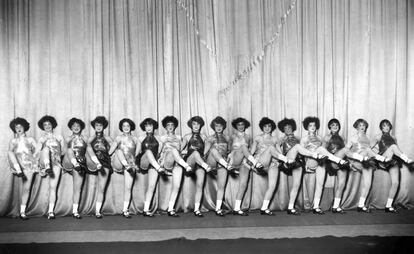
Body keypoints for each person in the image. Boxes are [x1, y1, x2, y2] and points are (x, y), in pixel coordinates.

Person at [301, 116, 349, 215]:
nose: (313, 127)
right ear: (306, 127)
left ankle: (316, 206)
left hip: (320, 161)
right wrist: (304, 164)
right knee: (321, 150)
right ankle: (337, 160)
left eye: (314, 125)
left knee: (320, 184)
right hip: (311, 160)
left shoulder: (319, 138)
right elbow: (302, 152)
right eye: (310, 125)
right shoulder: (304, 138)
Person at [346, 118, 389, 213]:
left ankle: (361, 205)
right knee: (369, 150)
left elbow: (370, 150)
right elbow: (346, 151)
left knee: (368, 183)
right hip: (358, 158)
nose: (362, 127)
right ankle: (382, 160)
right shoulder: (353, 137)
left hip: (366, 161)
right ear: (357, 127)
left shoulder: (368, 138)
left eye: (364, 125)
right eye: (360, 125)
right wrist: (350, 162)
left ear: (366, 127)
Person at [250, 117, 291, 215]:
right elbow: (251, 151)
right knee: (271, 148)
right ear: (262, 127)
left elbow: (279, 152)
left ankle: (264, 208)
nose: (267, 128)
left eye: (269, 126)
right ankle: (287, 161)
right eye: (265, 126)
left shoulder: (275, 139)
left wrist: (282, 159)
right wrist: (250, 163)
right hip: (261, 161)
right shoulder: (258, 138)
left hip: (273, 163)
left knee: (272, 185)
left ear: (272, 127)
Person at [372, 119, 414, 213]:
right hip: (384, 158)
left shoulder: (393, 137)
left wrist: (400, 156)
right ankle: (407, 160)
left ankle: (388, 206)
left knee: (395, 183)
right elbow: (369, 149)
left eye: (387, 125)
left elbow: (397, 150)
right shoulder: (378, 136)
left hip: (392, 160)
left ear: (390, 127)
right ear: (381, 128)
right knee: (393, 147)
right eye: (384, 126)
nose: (386, 127)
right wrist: (378, 157)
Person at [158, 116, 192, 217]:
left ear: (175, 126)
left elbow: (181, 151)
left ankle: (171, 208)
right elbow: (159, 151)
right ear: (165, 127)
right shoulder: (162, 138)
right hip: (167, 160)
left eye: (172, 125)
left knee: (176, 186)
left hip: (178, 162)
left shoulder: (179, 137)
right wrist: (159, 162)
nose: (170, 126)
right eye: (168, 125)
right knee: (173, 150)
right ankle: (186, 165)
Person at [230, 117, 264, 216]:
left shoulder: (248, 137)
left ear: (245, 126)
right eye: (239, 125)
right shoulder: (232, 137)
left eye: (242, 124)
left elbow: (250, 150)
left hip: (245, 162)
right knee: (243, 147)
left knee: (243, 184)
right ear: (236, 126)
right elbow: (228, 149)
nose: (241, 126)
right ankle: (255, 164)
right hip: (235, 160)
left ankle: (237, 208)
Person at [8, 117, 38, 220]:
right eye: (16, 127)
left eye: (21, 126)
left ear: (25, 127)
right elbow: (10, 154)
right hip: (18, 164)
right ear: (14, 129)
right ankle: (19, 169)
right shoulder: (13, 141)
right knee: (10, 152)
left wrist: (34, 160)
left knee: (26, 188)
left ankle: (22, 212)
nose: (19, 128)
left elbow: (37, 151)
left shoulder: (30, 139)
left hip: (29, 165)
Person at [136, 118, 167, 217]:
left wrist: (161, 159)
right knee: (148, 151)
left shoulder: (159, 138)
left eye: (150, 125)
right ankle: (158, 168)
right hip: (143, 161)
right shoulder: (140, 138)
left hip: (154, 163)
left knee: (152, 186)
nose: (148, 128)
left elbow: (160, 152)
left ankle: (146, 210)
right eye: (146, 126)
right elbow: (137, 153)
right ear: (144, 127)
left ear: (153, 127)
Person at [109, 118, 139, 218]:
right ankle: (126, 164)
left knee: (128, 187)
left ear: (131, 127)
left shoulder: (135, 139)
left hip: (130, 164)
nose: (126, 128)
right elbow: (111, 150)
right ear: (121, 128)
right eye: (124, 126)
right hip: (119, 162)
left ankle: (125, 210)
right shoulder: (118, 138)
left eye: (128, 126)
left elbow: (137, 154)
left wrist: (134, 163)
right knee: (119, 151)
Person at [36, 115, 65, 219]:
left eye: (49, 124)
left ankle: (51, 211)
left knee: (53, 187)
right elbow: (37, 152)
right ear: (42, 127)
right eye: (45, 125)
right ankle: (47, 167)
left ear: (53, 125)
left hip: (55, 163)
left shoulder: (59, 137)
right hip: (44, 162)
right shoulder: (41, 138)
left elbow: (64, 151)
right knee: (46, 150)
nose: (47, 126)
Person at [182, 116, 212, 217]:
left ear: (200, 126)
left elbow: (205, 152)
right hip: (190, 161)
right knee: (194, 153)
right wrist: (188, 151)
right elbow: (179, 150)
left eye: (198, 124)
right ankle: (205, 165)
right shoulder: (186, 136)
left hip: (200, 162)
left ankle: (196, 209)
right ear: (191, 125)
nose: (196, 126)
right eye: (194, 124)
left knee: (200, 185)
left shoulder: (204, 137)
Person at [204, 116, 233, 216]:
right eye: (216, 126)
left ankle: (218, 208)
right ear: (213, 127)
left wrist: (229, 157)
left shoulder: (228, 138)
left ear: (223, 126)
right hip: (211, 162)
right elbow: (204, 152)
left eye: (220, 126)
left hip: (222, 163)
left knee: (221, 186)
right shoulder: (210, 138)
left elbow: (229, 151)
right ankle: (226, 165)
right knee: (213, 150)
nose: (219, 128)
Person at [62, 118, 88, 219]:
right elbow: (64, 151)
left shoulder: (85, 138)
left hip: (80, 163)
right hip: (69, 161)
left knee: (77, 188)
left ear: (81, 127)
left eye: (78, 126)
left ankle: (75, 211)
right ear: (71, 128)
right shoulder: (68, 138)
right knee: (69, 150)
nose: (76, 128)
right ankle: (75, 163)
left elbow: (89, 150)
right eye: (74, 126)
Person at [87, 116, 113, 218]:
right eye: (96, 125)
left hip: (104, 162)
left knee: (101, 188)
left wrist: (109, 154)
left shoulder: (107, 138)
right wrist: (95, 136)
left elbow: (114, 146)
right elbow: (86, 145)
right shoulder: (90, 138)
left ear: (103, 126)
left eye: (100, 125)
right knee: (88, 147)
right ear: (94, 126)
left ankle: (97, 211)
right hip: (93, 161)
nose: (98, 127)